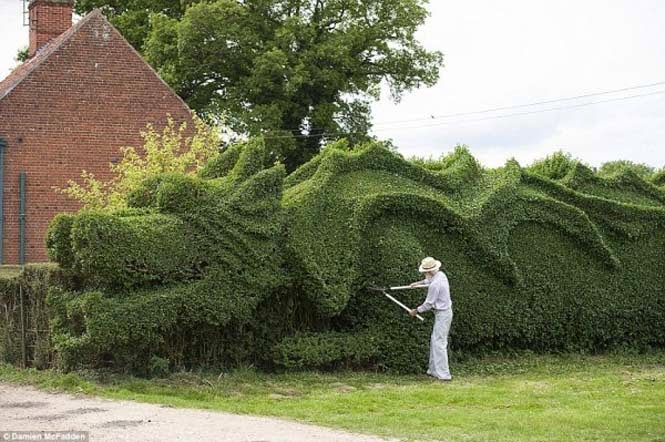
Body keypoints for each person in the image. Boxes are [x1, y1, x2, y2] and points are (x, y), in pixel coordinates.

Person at [409, 256, 453, 381]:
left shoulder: (435, 284)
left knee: (439, 343)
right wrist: (417, 283)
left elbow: (429, 303)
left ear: (428, 271)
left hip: (443, 314)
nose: (424, 274)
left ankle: (444, 375)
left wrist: (416, 310)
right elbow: (428, 281)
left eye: (424, 272)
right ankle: (433, 371)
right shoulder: (440, 275)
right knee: (435, 340)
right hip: (442, 313)